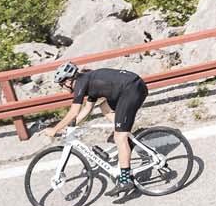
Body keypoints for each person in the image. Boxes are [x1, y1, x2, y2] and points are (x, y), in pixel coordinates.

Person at [50, 62, 147, 192]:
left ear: (68, 81)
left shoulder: (80, 83)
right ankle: (125, 134)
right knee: (103, 106)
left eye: (61, 85)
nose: (62, 88)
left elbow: (74, 111)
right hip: (129, 87)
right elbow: (87, 109)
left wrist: (55, 129)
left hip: (132, 89)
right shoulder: (87, 82)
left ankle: (125, 180)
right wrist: (70, 126)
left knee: (119, 137)